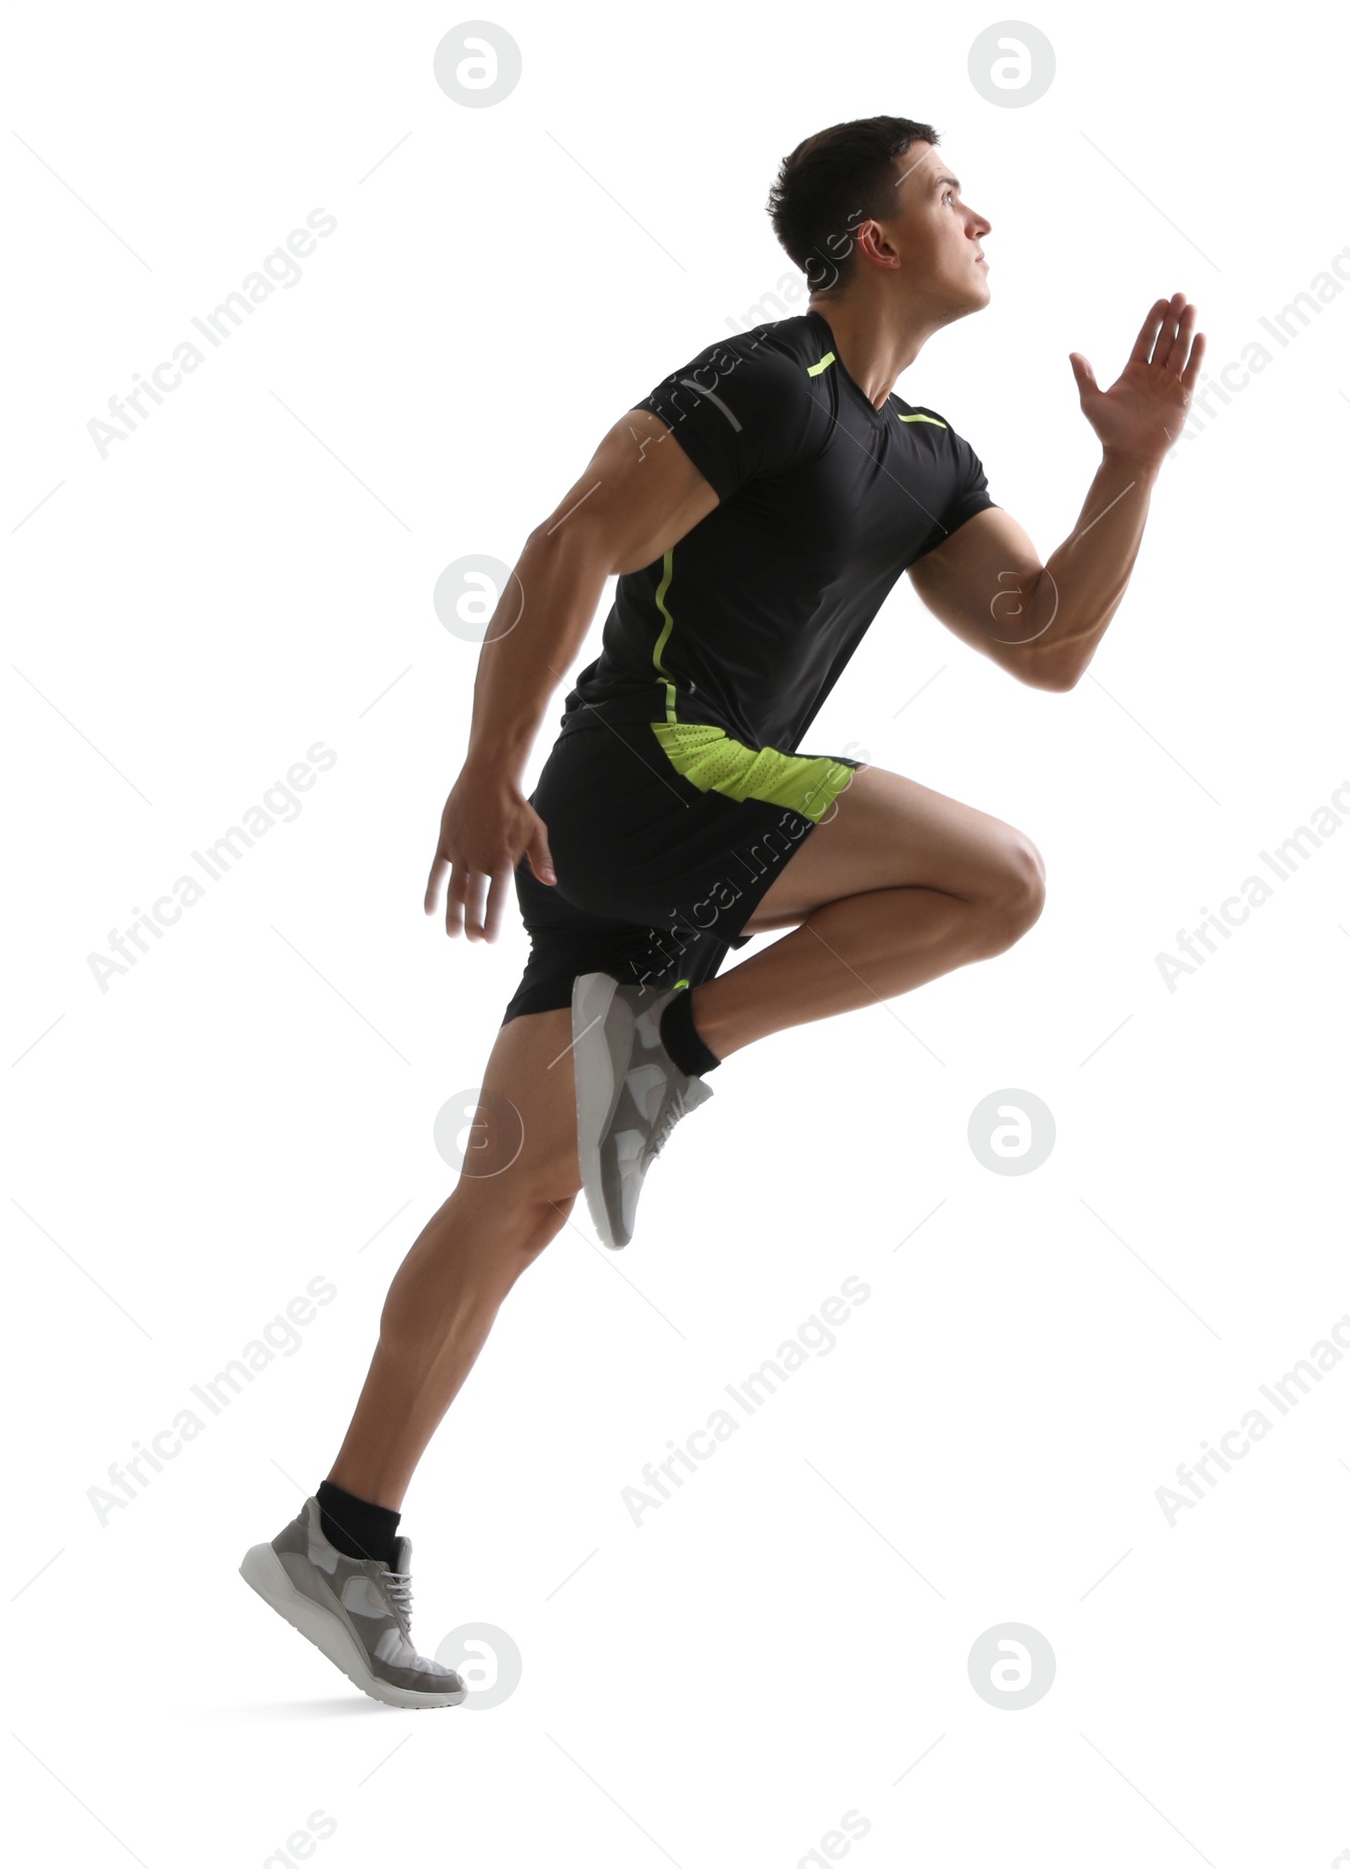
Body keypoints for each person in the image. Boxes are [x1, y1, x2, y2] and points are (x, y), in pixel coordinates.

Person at [239, 114, 1207, 1706]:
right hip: (647, 780)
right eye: (948, 191)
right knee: (999, 878)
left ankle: (345, 1532)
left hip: (665, 845)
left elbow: (1046, 641)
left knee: (521, 1193)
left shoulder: (929, 457)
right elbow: (569, 544)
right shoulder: (763, 384)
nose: (982, 210)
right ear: (876, 242)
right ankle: (673, 1044)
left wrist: (1133, 468)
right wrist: (487, 765)